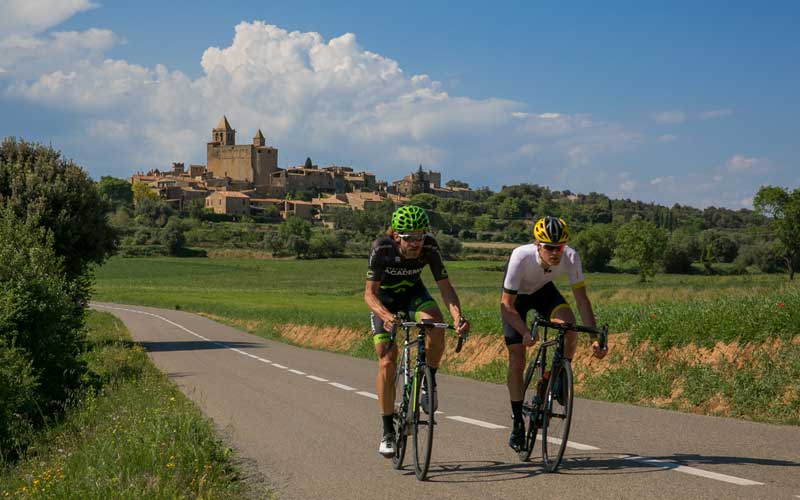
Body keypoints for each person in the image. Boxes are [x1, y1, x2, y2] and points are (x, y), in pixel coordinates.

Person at [365, 205, 470, 457]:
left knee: (436, 324)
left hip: (414, 295)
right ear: (396, 236)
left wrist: (458, 317)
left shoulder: (430, 247)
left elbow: (444, 287)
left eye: (420, 236)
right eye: (409, 238)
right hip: (386, 301)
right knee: (387, 361)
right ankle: (388, 431)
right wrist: (386, 316)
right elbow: (369, 294)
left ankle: (428, 380)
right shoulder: (382, 248)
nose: (416, 243)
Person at [500, 216, 608, 451]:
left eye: (559, 246)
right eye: (549, 247)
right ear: (538, 245)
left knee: (569, 327)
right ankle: (518, 421)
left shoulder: (571, 256)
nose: (555, 252)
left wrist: (593, 337)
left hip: (543, 292)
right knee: (517, 359)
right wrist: (525, 332)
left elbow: (581, 300)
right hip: (516, 299)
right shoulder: (520, 256)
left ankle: (556, 374)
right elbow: (506, 305)